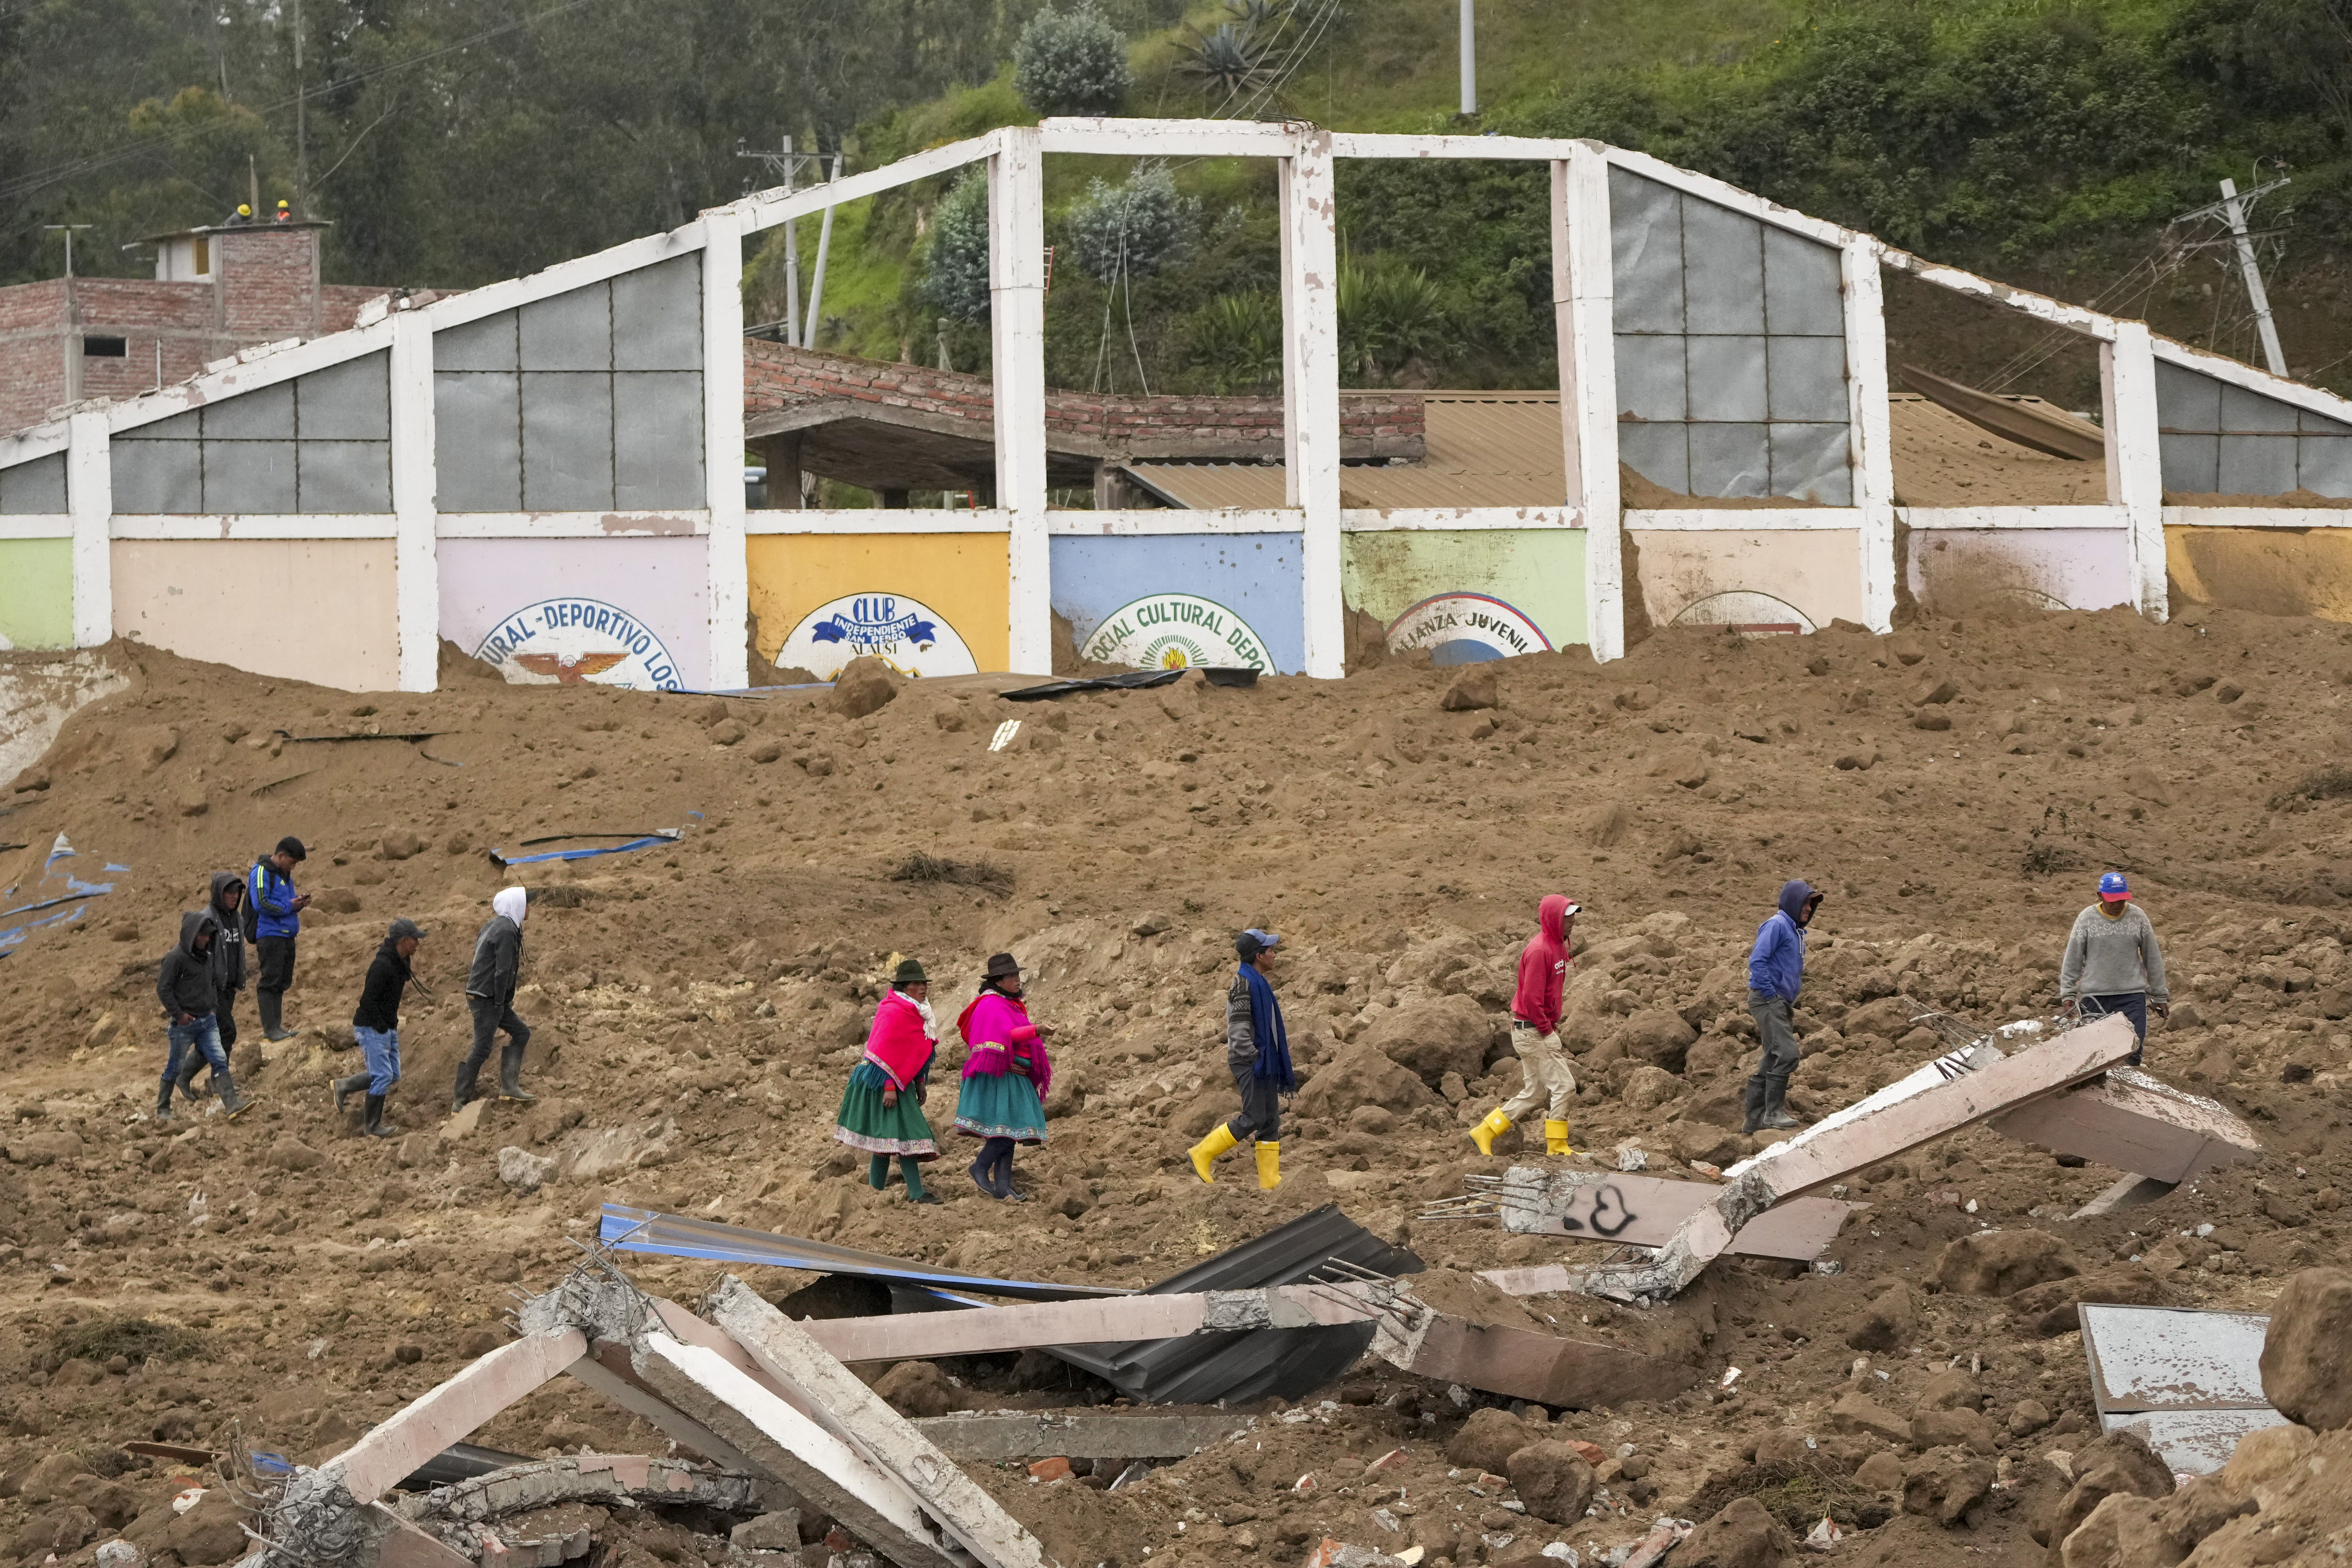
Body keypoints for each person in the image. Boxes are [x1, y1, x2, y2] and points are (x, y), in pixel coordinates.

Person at [1469, 895, 1582, 1158]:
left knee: (1534, 1093)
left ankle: (1485, 1131)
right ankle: (1556, 1146)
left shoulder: (1557, 946)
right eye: (1568, 916)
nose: (1574, 921)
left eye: (1574, 915)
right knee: (1565, 1087)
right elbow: (1531, 998)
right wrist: (1547, 1031)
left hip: (1534, 1029)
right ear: (1554, 919)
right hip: (1531, 1031)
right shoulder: (1540, 950)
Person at [1189, 928, 1294, 1190]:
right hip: (1250, 1061)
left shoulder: (1258, 981)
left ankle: (1270, 1181)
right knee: (1254, 1117)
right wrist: (1255, 1057)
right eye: (1270, 950)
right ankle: (1202, 1153)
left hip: (1262, 1060)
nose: (1274, 954)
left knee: (1270, 1120)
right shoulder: (1243, 984)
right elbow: (1237, 1031)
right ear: (1259, 956)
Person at [834, 957, 942, 1203]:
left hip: (899, 1082)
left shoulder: (919, 1013)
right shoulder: (892, 1010)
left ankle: (877, 1193)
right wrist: (890, 1087)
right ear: (905, 988)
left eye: (925, 983)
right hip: (880, 1084)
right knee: (899, 1137)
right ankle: (907, 1193)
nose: (924, 988)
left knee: (889, 1139)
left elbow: (913, 1053)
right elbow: (881, 1052)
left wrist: (920, 1083)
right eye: (917, 983)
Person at [954, 952, 1053, 1201]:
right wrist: (1036, 1030)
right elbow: (1005, 1035)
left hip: (1014, 1075)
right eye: (1012, 976)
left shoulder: (1008, 1003)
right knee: (1007, 1132)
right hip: (1001, 1075)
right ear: (998, 981)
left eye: (1018, 975)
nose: (1018, 980)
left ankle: (1003, 1187)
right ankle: (979, 1166)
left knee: (1009, 1133)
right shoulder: (991, 1004)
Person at [2059, 872, 2169, 1067]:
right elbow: (2073, 958)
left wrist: (2159, 995)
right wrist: (2068, 993)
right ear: (2100, 896)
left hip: (2131, 996)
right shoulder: (2086, 919)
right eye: (2113, 900)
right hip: (2095, 998)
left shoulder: (2138, 917)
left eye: (2122, 900)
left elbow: (2152, 957)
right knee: (2095, 1056)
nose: (2118, 904)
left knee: (2132, 1051)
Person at [1744, 879, 1822, 1134]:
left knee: (1771, 1057)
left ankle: (1754, 1120)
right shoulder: (1777, 925)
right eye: (1806, 904)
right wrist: (1771, 994)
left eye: (1812, 906)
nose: (1809, 910)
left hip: (1780, 1001)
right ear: (1793, 901)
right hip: (1769, 1000)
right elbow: (1757, 960)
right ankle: (1773, 1113)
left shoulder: (1795, 931)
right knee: (1788, 1054)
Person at [156, 911, 249, 1121]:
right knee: (175, 1066)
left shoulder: (207, 957)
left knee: (219, 1059)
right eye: (202, 935)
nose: (206, 939)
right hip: (184, 1024)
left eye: (208, 936)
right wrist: (179, 1015)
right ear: (191, 935)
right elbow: (164, 989)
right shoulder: (175, 958)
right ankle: (163, 1108)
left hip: (207, 1021)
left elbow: (214, 983)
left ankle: (232, 1104)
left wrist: (213, 1008)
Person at [336, 918, 424, 1138]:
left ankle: (344, 1085)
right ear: (404, 941)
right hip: (372, 1027)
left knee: (392, 1075)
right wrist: (382, 1028)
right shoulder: (382, 966)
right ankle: (372, 1126)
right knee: (383, 1075)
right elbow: (367, 1001)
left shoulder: (399, 961)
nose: (418, 944)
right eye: (415, 939)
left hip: (386, 1026)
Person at [455, 887, 534, 1110]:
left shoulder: (495, 925)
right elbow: (502, 971)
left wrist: (500, 1000)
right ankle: (460, 1101)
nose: (530, 908)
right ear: (516, 906)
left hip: (485, 995)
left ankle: (509, 1087)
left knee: (521, 1033)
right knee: (482, 1047)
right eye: (526, 904)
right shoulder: (508, 931)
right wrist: (501, 1001)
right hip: (487, 997)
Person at [174, 872, 247, 1104]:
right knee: (226, 1033)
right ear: (218, 893)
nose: (234, 897)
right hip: (213, 989)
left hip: (229, 987)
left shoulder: (237, 919)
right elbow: (199, 957)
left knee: (216, 1036)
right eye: (229, 893)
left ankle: (184, 1076)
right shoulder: (207, 920)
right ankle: (218, 1083)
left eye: (237, 893)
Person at [248, 836, 311, 1041]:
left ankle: (277, 1027)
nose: (294, 867)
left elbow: (286, 902)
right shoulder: (261, 872)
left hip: (286, 935)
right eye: (292, 862)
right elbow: (262, 903)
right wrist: (290, 906)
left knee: (281, 981)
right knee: (270, 981)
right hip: (270, 935)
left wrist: (298, 903)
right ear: (281, 855)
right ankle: (270, 1028)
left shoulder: (285, 875)